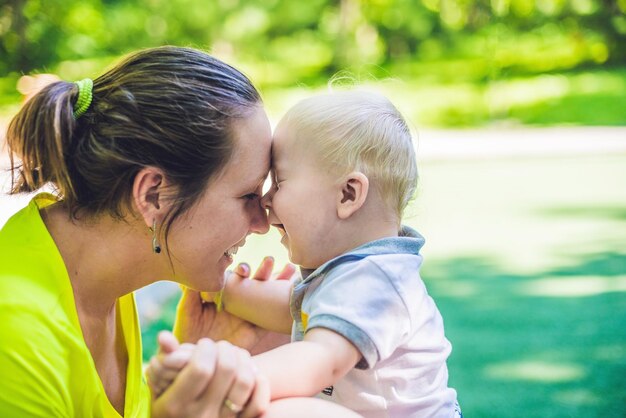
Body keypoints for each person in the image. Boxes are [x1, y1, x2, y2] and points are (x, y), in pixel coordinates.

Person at [0, 46, 361, 418]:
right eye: (248, 195)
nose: (262, 222)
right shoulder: (15, 338)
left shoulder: (92, 272)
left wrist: (194, 361)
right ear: (153, 194)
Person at [149, 91, 462, 417]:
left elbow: (318, 360)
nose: (266, 201)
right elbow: (294, 308)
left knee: (284, 410)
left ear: (348, 194)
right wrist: (222, 292)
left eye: (280, 183)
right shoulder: (355, 275)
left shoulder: (376, 283)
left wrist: (223, 376)